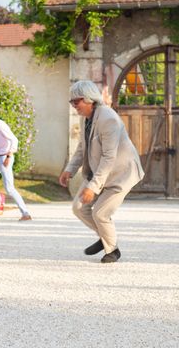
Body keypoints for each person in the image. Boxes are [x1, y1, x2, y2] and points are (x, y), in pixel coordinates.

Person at [59, 80, 144, 264]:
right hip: (98, 171)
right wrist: (69, 170)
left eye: (76, 101)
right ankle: (106, 237)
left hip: (121, 173)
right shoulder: (86, 118)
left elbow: (109, 157)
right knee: (78, 208)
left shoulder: (108, 118)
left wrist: (93, 188)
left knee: (100, 213)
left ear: (89, 99)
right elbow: (82, 148)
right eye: (71, 102)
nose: (74, 105)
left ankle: (113, 250)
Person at [0, 105, 32, 221]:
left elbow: (14, 139)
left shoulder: (0, 124)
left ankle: (25, 213)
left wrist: (9, 156)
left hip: (5, 158)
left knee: (9, 188)